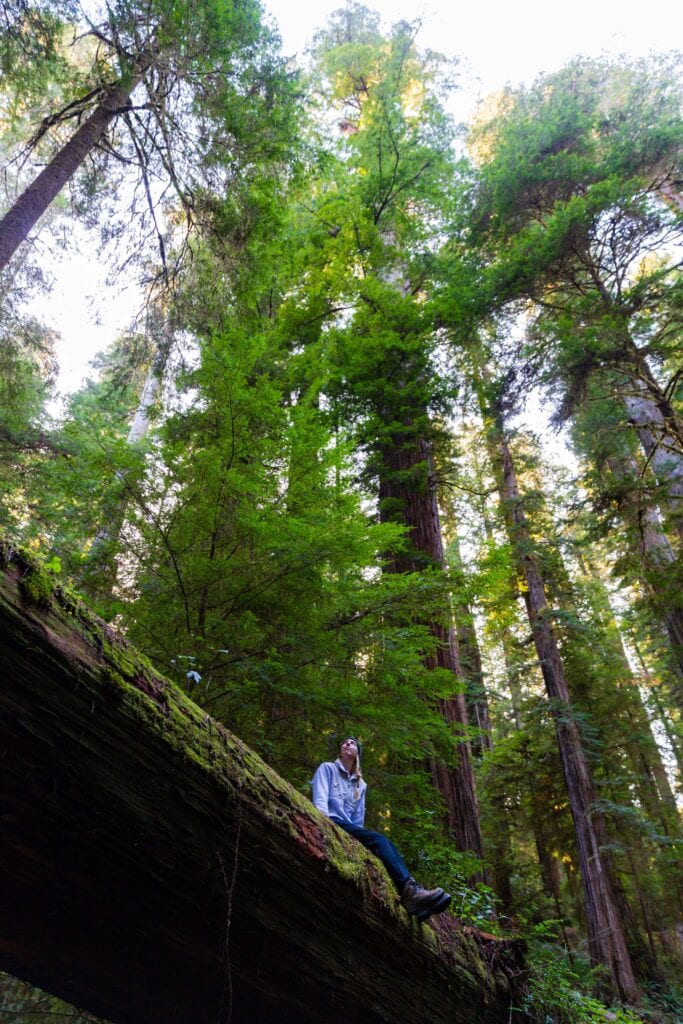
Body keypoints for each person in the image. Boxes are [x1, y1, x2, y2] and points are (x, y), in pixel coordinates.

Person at [311, 736, 451, 921]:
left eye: (352, 743)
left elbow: (357, 821)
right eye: (345, 742)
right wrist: (322, 823)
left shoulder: (361, 785)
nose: (347, 744)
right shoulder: (327, 768)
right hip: (331, 821)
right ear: (340, 750)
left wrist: (356, 843)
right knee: (380, 840)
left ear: (357, 754)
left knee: (387, 844)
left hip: (348, 829)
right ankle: (410, 892)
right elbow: (320, 801)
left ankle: (420, 907)